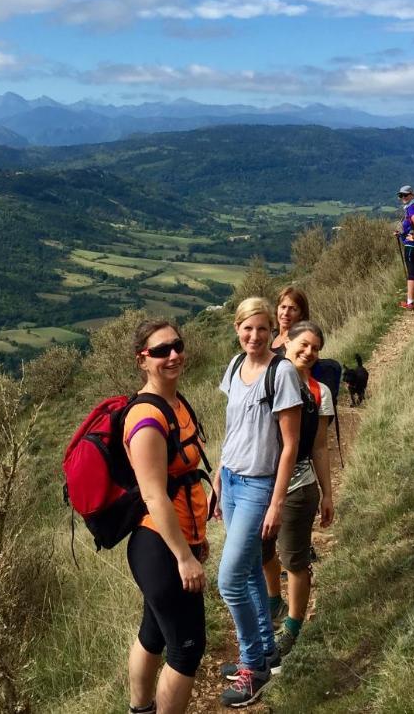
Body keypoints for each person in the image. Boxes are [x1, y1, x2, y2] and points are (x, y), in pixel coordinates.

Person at [214, 297, 302, 707]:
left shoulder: (281, 373)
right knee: (249, 571)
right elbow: (233, 428)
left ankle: (253, 669)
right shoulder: (234, 365)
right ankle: (266, 651)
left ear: (272, 332)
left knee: (229, 580)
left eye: (262, 329)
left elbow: (289, 445)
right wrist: (218, 476)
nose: (254, 336)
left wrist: (276, 501)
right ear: (237, 329)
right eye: (247, 329)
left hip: (258, 486)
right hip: (231, 480)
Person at [124, 320, 210, 714]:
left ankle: (139, 709)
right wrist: (184, 556)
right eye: (160, 351)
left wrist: (196, 538)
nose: (173, 355)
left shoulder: (175, 402)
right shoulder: (146, 417)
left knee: (154, 632)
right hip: (159, 545)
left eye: (177, 345)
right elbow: (154, 496)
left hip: (174, 539)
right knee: (187, 647)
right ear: (143, 360)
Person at [263, 321, 335, 663]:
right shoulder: (266, 377)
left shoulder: (320, 392)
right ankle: (275, 603)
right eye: (303, 345)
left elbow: (320, 447)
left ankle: (291, 629)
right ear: (286, 342)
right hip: (259, 486)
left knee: (294, 560)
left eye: (315, 349)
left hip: (297, 488)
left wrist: (328, 493)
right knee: (263, 553)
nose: (309, 352)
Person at [271, 286, 309, 356]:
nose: (286, 313)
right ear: (277, 309)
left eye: (292, 309)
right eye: (283, 307)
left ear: (301, 314)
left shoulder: (300, 342)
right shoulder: (270, 336)